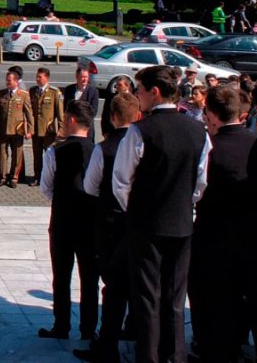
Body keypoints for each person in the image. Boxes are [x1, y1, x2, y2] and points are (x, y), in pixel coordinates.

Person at [111, 65, 210, 363]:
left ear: (154, 92)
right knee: (174, 297)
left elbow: (121, 181)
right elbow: (201, 180)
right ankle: (174, 355)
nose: (137, 96)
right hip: (181, 222)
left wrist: (139, 210)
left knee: (147, 296)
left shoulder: (141, 131)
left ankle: (150, 356)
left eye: (139, 91)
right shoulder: (199, 131)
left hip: (147, 224)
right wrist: (183, 203)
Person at [187, 85, 254, 363]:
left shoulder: (210, 150)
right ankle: (237, 341)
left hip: (212, 237)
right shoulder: (253, 144)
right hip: (249, 237)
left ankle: (210, 346)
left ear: (212, 115)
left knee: (209, 295)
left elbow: (196, 192)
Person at [77, 93, 141, 363]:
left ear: (112, 118)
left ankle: (108, 343)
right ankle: (134, 330)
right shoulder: (144, 142)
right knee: (138, 283)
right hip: (140, 224)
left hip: (111, 223)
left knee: (113, 286)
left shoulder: (104, 148)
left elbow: (91, 186)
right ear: (137, 116)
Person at [37, 100, 98, 341]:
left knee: (61, 277)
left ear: (71, 120)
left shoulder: (55, 150)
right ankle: (88, 328)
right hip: (90, 222)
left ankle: (61, 325)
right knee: (89, 278)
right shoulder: (97, 150)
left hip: (63, 220)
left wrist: (62, 199)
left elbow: (45, 188)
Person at [0, 70, 33, 188]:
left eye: (10, 80)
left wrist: (30, 131)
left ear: (16, 82)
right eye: (7, 80)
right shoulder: (1, 93)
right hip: (3, 129)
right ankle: (2, 176)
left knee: (17, 154)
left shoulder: (23, 95)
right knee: (2, 153)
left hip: (17, 130)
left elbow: (29, 113)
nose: (7, 82)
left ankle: (14, 177)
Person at [31, 67, 64, 185]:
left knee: (49, 157)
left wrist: (61, 130)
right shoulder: (33, 91)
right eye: (37, 76)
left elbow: (60, 114)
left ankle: (50, 178)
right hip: (36, 130)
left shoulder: (55, 92)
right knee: (36, 156)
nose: (37, 79)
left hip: (49, 131)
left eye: (40, 77)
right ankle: (37, 177)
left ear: (47, 78)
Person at [64, 67, 103, 139]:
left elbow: (93, 111)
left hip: (86, 129)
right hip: (72, 129)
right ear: (77, 76)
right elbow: (66, 109)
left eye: (86, 77)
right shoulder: (69, 89)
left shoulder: (93, 91)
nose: (85, 79)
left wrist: (80, 121)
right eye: (82, 77)